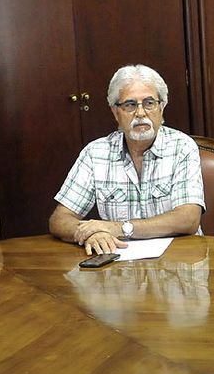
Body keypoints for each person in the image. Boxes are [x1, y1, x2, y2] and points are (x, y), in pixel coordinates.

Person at [49, 65, 204, 256]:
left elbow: (188, 219)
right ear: (115, 112)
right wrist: (91, 234)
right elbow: (60, 219)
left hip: (179, 262)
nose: (140, 113)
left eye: (149, 103)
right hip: (120, 267)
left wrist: (120, 228)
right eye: (130, 105)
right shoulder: (95, 153)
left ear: (161, 107)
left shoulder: (182, 147)